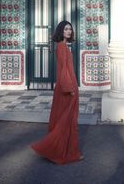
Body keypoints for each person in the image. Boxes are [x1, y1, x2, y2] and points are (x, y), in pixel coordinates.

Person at [31, 20, 83, 165]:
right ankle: (59, 151)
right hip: (67, 88)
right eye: (66, 29)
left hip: (69, 86)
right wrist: (70, 89)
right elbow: (63, 70)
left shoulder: (65, 46)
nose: (69, 31)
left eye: (70, 29)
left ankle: (66, 151)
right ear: (61, 31)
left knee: (67, 121)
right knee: (67, 121)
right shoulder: (61, 47)